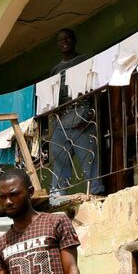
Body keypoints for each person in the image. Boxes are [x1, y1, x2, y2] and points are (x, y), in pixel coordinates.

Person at [48, 28, 104, 200]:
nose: (64, 41)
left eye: (67, 38)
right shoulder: (55, 69)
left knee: (88, 157)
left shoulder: (84, 60)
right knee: (59, 161)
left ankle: (96, 192)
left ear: (74, 40)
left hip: (82, 115)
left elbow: (94, 85)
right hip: (60, 121)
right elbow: (51, 94)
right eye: (60, 39)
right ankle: (57, 198)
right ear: (57, 44)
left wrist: (93, 113)